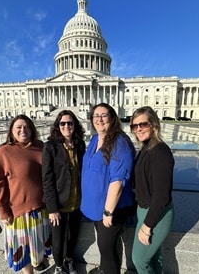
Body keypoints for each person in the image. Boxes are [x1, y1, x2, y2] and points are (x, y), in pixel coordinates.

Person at [0, 114, 50, 274]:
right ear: (12, 131)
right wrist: (2, 209)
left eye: (27, 127)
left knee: (38, 248)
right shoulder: (4, 152)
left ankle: (39, 265)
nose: (24, 130)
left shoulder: (40, 146)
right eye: (19, 127)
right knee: (24, 253)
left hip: (41, 209)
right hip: (18, 213)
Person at [81, 103, 135, 274]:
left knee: (107, 249)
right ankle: (104, 269)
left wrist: (108, 211)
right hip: (95, 207)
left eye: (104, 115)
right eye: (96, 116)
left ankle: (109, 270)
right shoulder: (96, 139)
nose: (100, 119)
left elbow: (118, 181)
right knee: (104, 246)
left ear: (112, 118)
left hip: (111, 208)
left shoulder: (120, 143)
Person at [130, 106, 175, 274]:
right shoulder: (146, 148)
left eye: (143, 124)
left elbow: (161, 195)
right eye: (134, 126)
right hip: (145, 209)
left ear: (154, 125)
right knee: (154, 257)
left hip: (157, 213)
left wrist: (147, 226)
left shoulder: (160, 152)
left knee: (140, 259)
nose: (138, 129)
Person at [42, 110, 86, 274]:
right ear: (58, 126)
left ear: (75, 125)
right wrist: (52, 208)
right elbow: (47, 179)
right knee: (58, 240)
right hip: (58, 204)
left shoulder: (79, 144)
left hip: (77, 201)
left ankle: (69, 261)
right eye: (63, 123)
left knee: (73, 236)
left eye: (70, 123)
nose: (66, 126)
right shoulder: (50, 146)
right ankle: (59, 266)